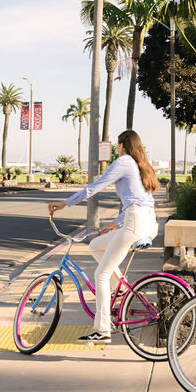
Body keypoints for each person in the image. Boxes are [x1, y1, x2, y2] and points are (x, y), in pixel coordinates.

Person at [48, 129, 159, 344]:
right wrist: (115, 223)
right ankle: (121, 286)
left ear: (123, 145)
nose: (117, 149)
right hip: (144, 222)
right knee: (96, 245)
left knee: (101, 275)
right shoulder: (140, 164)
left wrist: (65, 203)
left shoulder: (125, 161)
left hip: (134, 223)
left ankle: (102, 329)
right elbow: (139, 201)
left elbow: (94, 187)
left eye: (118, 145)